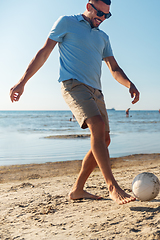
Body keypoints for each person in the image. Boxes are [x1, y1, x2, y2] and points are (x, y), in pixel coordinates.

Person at [9, 0, 139, 205]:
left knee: (104, 140)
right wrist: (22, 82)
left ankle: (77, 189)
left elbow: (114, 67)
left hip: (97, 91)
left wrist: (129, 84)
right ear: (89, 6)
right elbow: (43, 53)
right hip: (73, 85)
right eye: (100, 13)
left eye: (107, 15)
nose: (103, 18)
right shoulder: (66, 22)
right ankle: (112, 186)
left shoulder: (103, 37)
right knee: (97, 125)